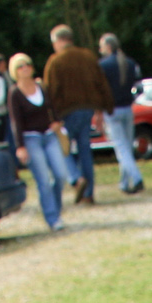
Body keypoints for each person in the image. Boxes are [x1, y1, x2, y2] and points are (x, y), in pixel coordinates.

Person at [43, 24, 109, 205]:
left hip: (68, 112)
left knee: (60, 146)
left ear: (58, 41)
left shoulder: (55, 62)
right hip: (87, 109)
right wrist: (102, 109)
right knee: (85, 150)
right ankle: (89, 194)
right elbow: (100, 84)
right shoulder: (88, 56)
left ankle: (75, 179)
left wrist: (51, 116)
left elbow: (51, 90)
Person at [8, 53, 65, 232]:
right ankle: (52, 217)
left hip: (49, 135)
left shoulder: (41, 87)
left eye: (27, 65)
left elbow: (52, 106)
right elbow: (15, 121)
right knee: (44, 181)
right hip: (31, 138)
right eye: (20, 66)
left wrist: (57, 121)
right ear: (15, 72)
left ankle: (55, 207)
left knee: (61, 174)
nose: (25, 68)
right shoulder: (15, 93)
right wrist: (20, 147)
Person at [97, 33, 143, 195]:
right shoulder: (130, 63)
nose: (100, 49)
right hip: (127, 108)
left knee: (122, 149)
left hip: (112, 110)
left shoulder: (103, 66)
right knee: (127, 147)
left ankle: (136, 178)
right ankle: (124, 183)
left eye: (101, 46)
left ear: (108, 47)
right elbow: (139, 86)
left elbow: (99, 90)